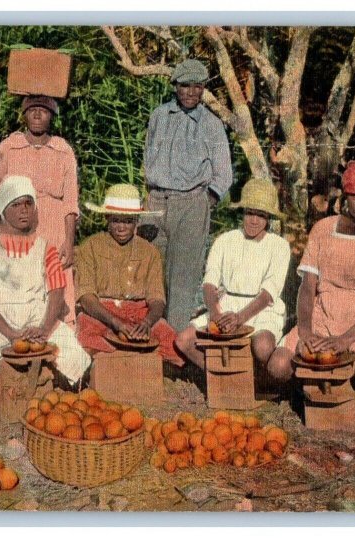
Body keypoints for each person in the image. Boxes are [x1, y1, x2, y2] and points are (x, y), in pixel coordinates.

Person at [269, 161, 355, 423]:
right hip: (325, 312)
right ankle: (312, 394)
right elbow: (308, 287)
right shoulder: (324, 229)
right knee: (278, 366)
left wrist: (345, 339)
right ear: (345, 194)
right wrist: (306, 330)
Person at [0, 175, 91, 414]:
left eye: (28, 203)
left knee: (70, 349)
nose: (23, 210)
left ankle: (63, 393)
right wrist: (10, 333)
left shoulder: (44, 245)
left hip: (35, 314)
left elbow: (57, 291)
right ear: (5, 208)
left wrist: (44, 329)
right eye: (16, 205)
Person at [142, 58, 234, 332]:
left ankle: (174, 346)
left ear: (204, 88)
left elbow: (223, 173)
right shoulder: (159, 116)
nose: (191, 92)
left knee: (182, 279)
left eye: (197, 86)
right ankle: (146, 338)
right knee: (149, 268)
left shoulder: (211, 124)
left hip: (192, 202)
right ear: (175, 87)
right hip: (156, 201)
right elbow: (148, 154)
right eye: (185, 86)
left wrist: (204, 202)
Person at [175, 179, 291, 383]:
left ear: (269, 218)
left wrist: (240, 317)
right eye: (250, 213)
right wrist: (216, 313)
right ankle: (224, 379)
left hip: (260, 309)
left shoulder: (279, 246)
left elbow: (269, 292)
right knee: (183, 340)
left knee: (263, 346)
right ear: (243, 212)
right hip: (225, 305)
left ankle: (257, 381)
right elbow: (210, 281)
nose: (254, 220)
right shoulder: (225, 240)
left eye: (261, 215)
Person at [0, 95, 79, 324]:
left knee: (56, 282)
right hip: (18, 227)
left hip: (53, 227)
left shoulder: (63, 151)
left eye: (43, 110)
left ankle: (59, 342)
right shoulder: (9, 147)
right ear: (24, 114)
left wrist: (69, 241)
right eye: (32, 109)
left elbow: (70, 202)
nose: (37, 114)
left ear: (52, 116)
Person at [74, 184, 183, 366]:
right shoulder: (90, 247)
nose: (122, 227)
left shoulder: (150, 252)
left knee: (172, 341)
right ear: (107, 218)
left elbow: (157, 299)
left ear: (137, 221)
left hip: (140, 314)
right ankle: (118, 362)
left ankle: (136, 361)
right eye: (116, 220)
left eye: (128, 221)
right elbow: (86, 298)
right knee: (85, 335)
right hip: (102, 312)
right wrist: (116, 322)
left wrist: (147, 322)